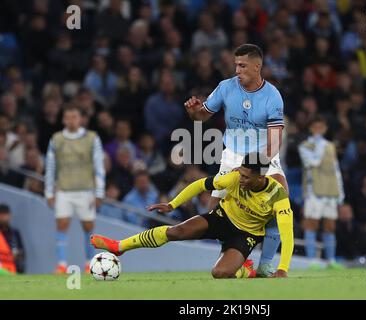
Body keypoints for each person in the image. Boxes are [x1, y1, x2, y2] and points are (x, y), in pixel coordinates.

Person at [91, 153, 294, 278]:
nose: (240, 178)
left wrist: (283, 268)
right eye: (240, 173)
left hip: (247, 234)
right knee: (176, 231)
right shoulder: (234, 177)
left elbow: (287, 234)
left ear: (261, 177)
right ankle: (119, 247)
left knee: (220, 273)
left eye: (246, 177)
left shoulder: (278, 196)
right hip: (222, 217)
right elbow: (200, 184)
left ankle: (244, 269)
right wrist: (173, 204)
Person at [183, 43, 288, 277]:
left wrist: (256, 168)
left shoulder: (272, 96)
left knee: (280, 198)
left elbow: (274, 141)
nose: (237, 70)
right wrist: (194, 113)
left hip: (263, 157)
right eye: (236, 65)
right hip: (232, 156)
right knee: (215, 210)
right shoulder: (225, 87)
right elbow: (201, 117)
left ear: (257, 66)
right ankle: (233, 258)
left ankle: (266, 265)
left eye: (242, 66)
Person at [45, 105, 105, 274]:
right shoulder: (56, 139)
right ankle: (62, 264)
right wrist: (49, 192)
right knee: (62, 224)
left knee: (88, 226)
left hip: (86, 190)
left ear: (81, 119)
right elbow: (51, 167)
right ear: (63, 119)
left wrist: (99, 192)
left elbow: (99, 166)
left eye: (75, 117)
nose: (71, 120)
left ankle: (88, 264)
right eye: (68, 117)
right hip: (64, 190)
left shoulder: (92, 138)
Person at [298, 115, 345, 269]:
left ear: (325, 129)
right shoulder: (304, 146)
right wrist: (318, 144)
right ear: (311, 128)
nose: (318, 130)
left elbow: (336, 169)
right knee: (312, 224)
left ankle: (331, 260)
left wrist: (341, 192)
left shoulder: (330, 146)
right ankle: (312, 260)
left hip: (331, 191)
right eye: (315, 127)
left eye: (321, 127)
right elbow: (313, 161)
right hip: (314, 191)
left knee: (330, 226)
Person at [0, 204, 25, 275]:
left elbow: (22, 252)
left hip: (12, 269)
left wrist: (16, 254)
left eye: (5, 214)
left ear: (10, 215)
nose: (3, 217)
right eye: (1, 214)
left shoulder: (14, 232)